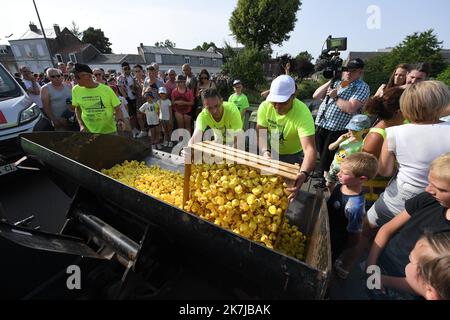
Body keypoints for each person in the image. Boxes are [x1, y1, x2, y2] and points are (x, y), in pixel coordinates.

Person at [367, 81, 450, 228]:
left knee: (367, 226)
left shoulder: (394, 133)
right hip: (442, 197)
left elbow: (385, 171)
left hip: (402, 197)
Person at [366, 152, 450, 297]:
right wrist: (371, 266)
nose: (428, 190)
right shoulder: (429, 199)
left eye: (441, 189)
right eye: (429, 183)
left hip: (407, 286)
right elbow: (387, 229)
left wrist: (380, 280)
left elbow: (427, 285)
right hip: (382, 262)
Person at [256, 75, 317, 201]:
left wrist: (304, 173)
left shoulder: (303, 113)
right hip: (271, 151)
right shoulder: (265, 106)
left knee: (286, 191)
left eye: (283, 102)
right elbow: (260, 133)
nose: (277, 106)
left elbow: (310, 150)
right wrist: (264, 151)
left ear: (293, 96)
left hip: (292, 155)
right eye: (274, 101)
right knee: (266, 187)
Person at [312, 58, 370, 186]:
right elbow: (316, 96)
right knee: (322, 154)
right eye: (346, 70)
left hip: (338, 128)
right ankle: (322, 176)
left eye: (353, 71)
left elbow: (351, 108)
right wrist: (331, 80)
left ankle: (326, 182)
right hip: (322, 124)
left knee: (331, 157)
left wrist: (336, 97)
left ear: (360, 72)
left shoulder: (361, 87)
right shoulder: (342, 83)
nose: (348, 73)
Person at [327, 152, 378, 278]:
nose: (338, 174)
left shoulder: (354, 206)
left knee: (326, 264)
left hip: (334, 241)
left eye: (344, 173)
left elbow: (355, 237)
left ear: (362, 179)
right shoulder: (342, 185)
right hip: (326, 227)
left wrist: (342, 248)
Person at [72, 63, 124, 134]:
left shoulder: (106, 89)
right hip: (88, 132)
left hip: (109, 132)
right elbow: (77, 109)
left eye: (77, 77)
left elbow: (117, 108)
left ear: (88, 76)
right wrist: (81, 125)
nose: (74, 79)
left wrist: (120, 120)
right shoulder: (75, 89)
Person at [326, 114, 371, 190]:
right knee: (329, 184)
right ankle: (331, 196)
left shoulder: (361, 144)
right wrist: (339, 141)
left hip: (346, 172)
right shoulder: (345, 138)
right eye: (350, 129)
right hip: (334, 167)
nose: (351, 132)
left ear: (365, 130)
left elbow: (358, 162)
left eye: (355, 130)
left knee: (342, 188)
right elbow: (330, 148)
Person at [405, 231, 450, 300]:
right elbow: (413, 284)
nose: (409, 256)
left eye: (411, 259)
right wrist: (384, 280)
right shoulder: (427, 287)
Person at [117, 62, 139, 134]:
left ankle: (136, 127)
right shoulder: (120, 78)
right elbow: (120, 89)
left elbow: (136, 86)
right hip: (127, 98)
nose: (127, 70)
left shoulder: (132, 76)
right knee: (131, 115)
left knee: (136, 114)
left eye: (128, 68)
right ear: (122, 70)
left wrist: (134, 88)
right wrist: (126, 98)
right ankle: (133, 129)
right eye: (125, 69)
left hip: (135, 97)